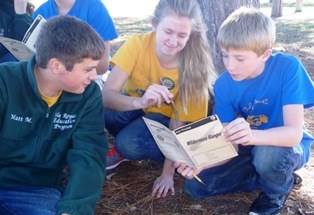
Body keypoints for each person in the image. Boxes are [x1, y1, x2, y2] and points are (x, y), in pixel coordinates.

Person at [174, 7, 314, 215]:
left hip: (288, 147)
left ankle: (275, 193)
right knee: (197, 186)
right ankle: (272, 176)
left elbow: (293, 135)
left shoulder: (288, 67)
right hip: (251, 147)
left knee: (268, 153)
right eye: (224, 55)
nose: (230, 66)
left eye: (239, 59)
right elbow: (229, 143)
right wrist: (200, 163)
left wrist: (251, 135)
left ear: (265, 54)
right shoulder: (223, 84)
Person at [102, 0, 216, 198]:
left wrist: (167, 173)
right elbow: (107, 95)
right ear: (155, 25)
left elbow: (178, 125)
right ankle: (131, 142)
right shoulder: (137, 44)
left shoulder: (194, 67)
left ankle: (139, 150)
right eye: (168, 31)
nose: (173, 41)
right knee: (108, 112)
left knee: (128, 143)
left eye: (182, 35)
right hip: (140, 109)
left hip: (168, 123)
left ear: (191, 35)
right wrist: (138, 102)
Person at [0, 16, 107, 215]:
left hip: (36, 191)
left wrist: (74, 209)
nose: (94, 77)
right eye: (88, 69)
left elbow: (89, 154)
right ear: (56, 66)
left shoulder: (88, 95)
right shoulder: (5, 81)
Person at [33, 0, 118, 78]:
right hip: (52, 78)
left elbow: (102, 66)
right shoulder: (41, 12)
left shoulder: (94, 7)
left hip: (86, 78)